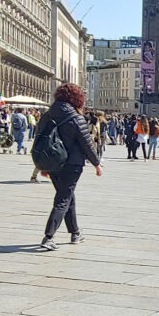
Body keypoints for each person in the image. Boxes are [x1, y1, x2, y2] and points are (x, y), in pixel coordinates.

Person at [34, 83, 103, 250]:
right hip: (72, 164)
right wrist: (97, 164)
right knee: (63, 198)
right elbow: (87, 143)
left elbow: (41, 139)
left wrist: (43, 164)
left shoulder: (47, 115)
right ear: (77, 99)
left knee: (67, 195)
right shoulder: (76, 118)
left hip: (53, 162)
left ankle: (75, 233)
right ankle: (48, 237)